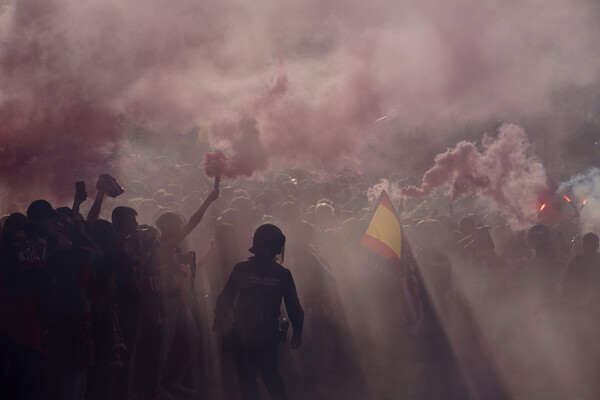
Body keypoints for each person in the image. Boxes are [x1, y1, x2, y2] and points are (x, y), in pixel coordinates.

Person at [213, 224, 304, 400]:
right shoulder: (282, 273)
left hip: (243, 330)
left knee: (246, 378)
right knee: (271, 375)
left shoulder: (241, 268)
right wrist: (298, 331)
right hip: (268, 331)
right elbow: (294, 306)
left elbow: (226, 297)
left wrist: (218, 318)